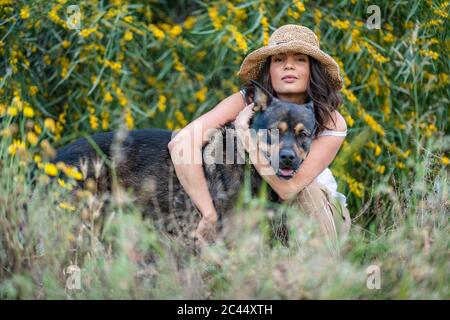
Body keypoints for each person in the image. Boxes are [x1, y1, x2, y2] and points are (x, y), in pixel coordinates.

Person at [168, 25, 351, 248]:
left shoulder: (329, 118)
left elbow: (288, 188)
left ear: (313, 70)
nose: (289, 65)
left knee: (306, 190)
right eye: (279, 59)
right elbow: (181, 142)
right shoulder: (250, 101)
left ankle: (318, 275)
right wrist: (209, 213)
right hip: (263, 204)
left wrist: (246, 135)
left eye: (300, 59)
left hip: (318, 209)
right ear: (269, 69)